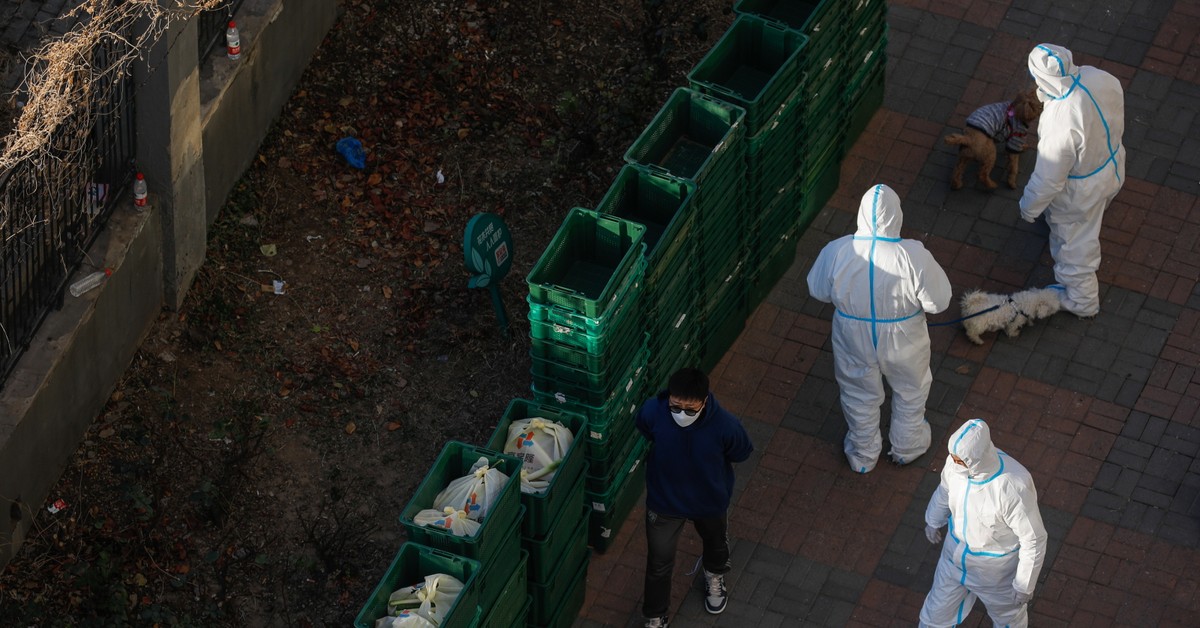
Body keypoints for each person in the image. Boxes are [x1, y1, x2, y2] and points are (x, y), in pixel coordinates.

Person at [806, 184, 952, 473]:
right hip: (904, 335)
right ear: (897, 215)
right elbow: (938, 302)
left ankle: (863, 455)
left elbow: (817, 289)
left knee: (857, 392)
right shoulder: (913, 255)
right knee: (911, 388)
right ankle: (907, 447)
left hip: (852, 334)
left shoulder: (838, 250)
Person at [635, 367, 754, 628]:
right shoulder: (653, 411)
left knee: (715, 542)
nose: (681, 414)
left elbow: (742, 451)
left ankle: (714, 574)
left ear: (704, 401)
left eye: (690, 409)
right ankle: (655, 616)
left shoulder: (726, 426)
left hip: (709, 501)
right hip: (664, 502)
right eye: (675, 406)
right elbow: (645, 426)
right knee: (658, 563)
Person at [1020, 43, 1126, 318]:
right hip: (1112, 163)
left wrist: (1029, 208)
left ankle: (1082, 301)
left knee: (1074, 249)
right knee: (1099, 204)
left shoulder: (1061, 120)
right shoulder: (1099, 77)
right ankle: (1096, 211)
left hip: (1080, 191)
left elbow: (1048, 178)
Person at [919, 419, 1048, 628]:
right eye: (953, 457)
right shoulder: (955, 464)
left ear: (977, 458)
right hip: (953, 560)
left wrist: (1024, 584)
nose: (953, 462)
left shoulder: (1012, 486)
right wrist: (933, 519)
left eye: (959, 460)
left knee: (1008, 620)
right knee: (935, 615)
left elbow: (1033, 538)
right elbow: (944, 491)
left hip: (995, 574)